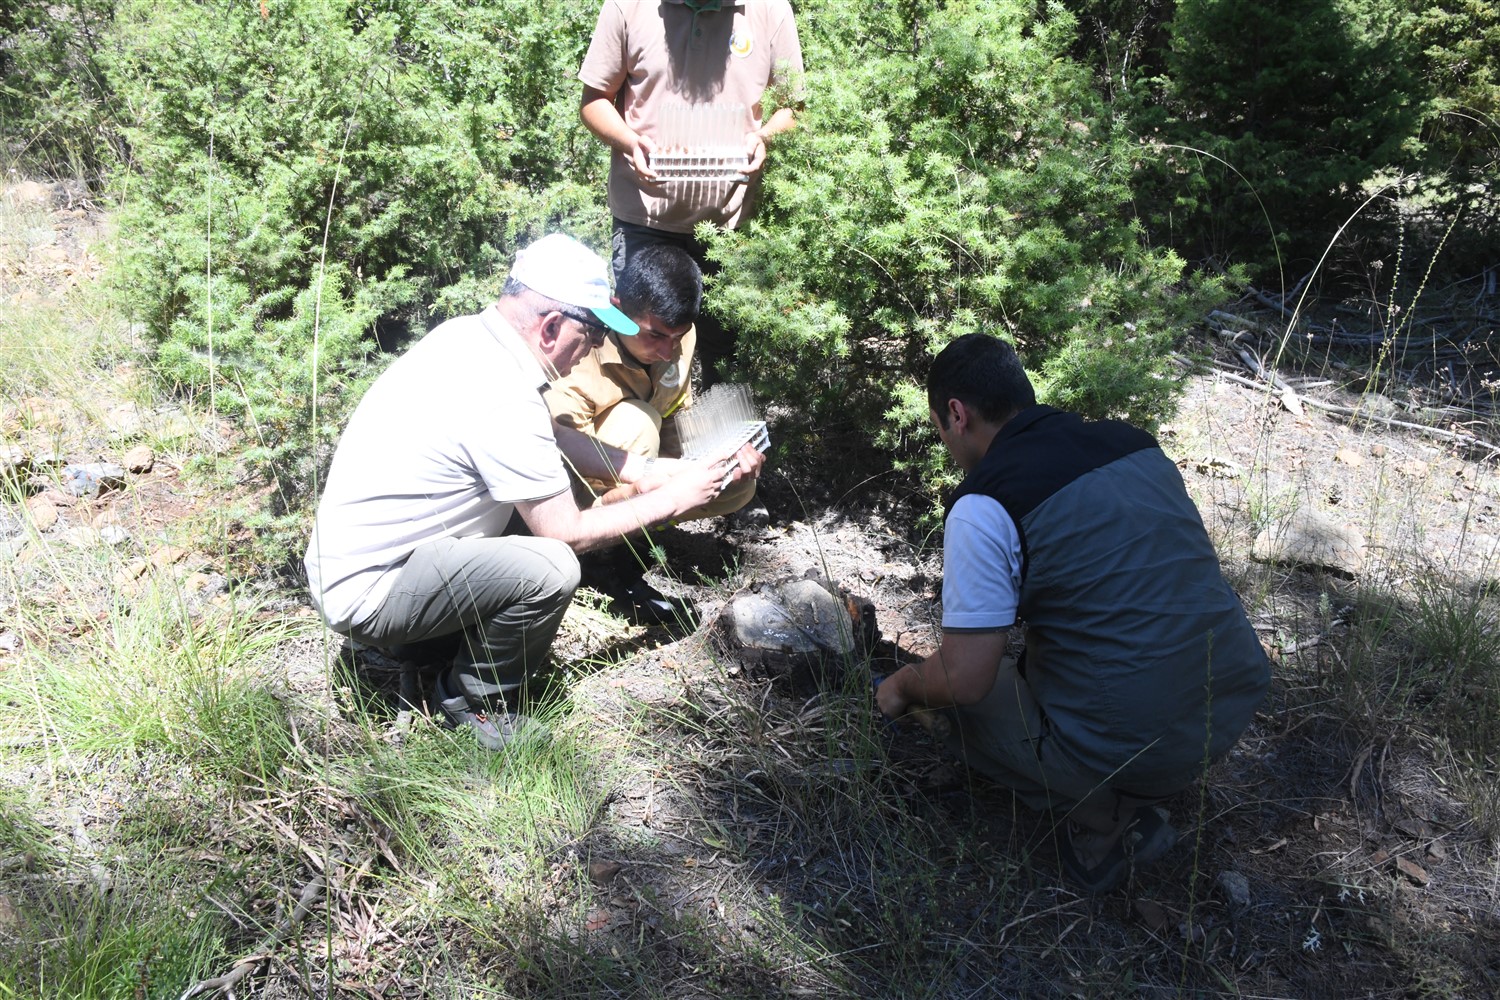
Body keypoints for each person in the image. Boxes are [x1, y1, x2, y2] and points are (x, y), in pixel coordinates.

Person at [304, 234, 757, 751]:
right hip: (372, 591)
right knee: (551, 567)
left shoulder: (470, 339)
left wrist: (646, 471)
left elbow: (555, 435)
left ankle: (430, 642)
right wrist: (674, 501)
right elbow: (565, 533)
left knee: (535, 531)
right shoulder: (501, 393)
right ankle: (474, 701)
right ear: (551, 327)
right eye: (591, 332)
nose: (593, 347)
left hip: (369, 565)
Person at [876, 333, 1270, 892]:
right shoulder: (1133, 445)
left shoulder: (985, 502)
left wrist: (899, 685)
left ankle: (1112, 817)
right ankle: (1146, 772)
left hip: (1144, 739)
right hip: (1229, 705)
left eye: (940, 426)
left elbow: (964, 679)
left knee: (950, 696)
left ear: (957, 415)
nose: (945, 439)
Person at [578, 0, 804, 386]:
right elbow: (594, 100)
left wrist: (764, 136)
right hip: (644, 218)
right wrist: (630, 142)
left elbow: (793, 108)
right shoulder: (629, 6)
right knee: (638, 347)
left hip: (730, 224)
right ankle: (634, 422)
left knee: (725, 352)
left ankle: (722, 423)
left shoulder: (769, 9)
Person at [546, 243, 763, 622]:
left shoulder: (678, 337)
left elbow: (677, 413)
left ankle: (638, 532)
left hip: (643, 467)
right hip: (582, 493)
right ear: (617, 309)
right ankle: (606, 563)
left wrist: (721, 456)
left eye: (678, 336)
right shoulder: (581, 352)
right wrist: (644, 490)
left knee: (737, 485)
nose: (668, 351)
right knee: (639, 421)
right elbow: (563, 462)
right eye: (656, 335)